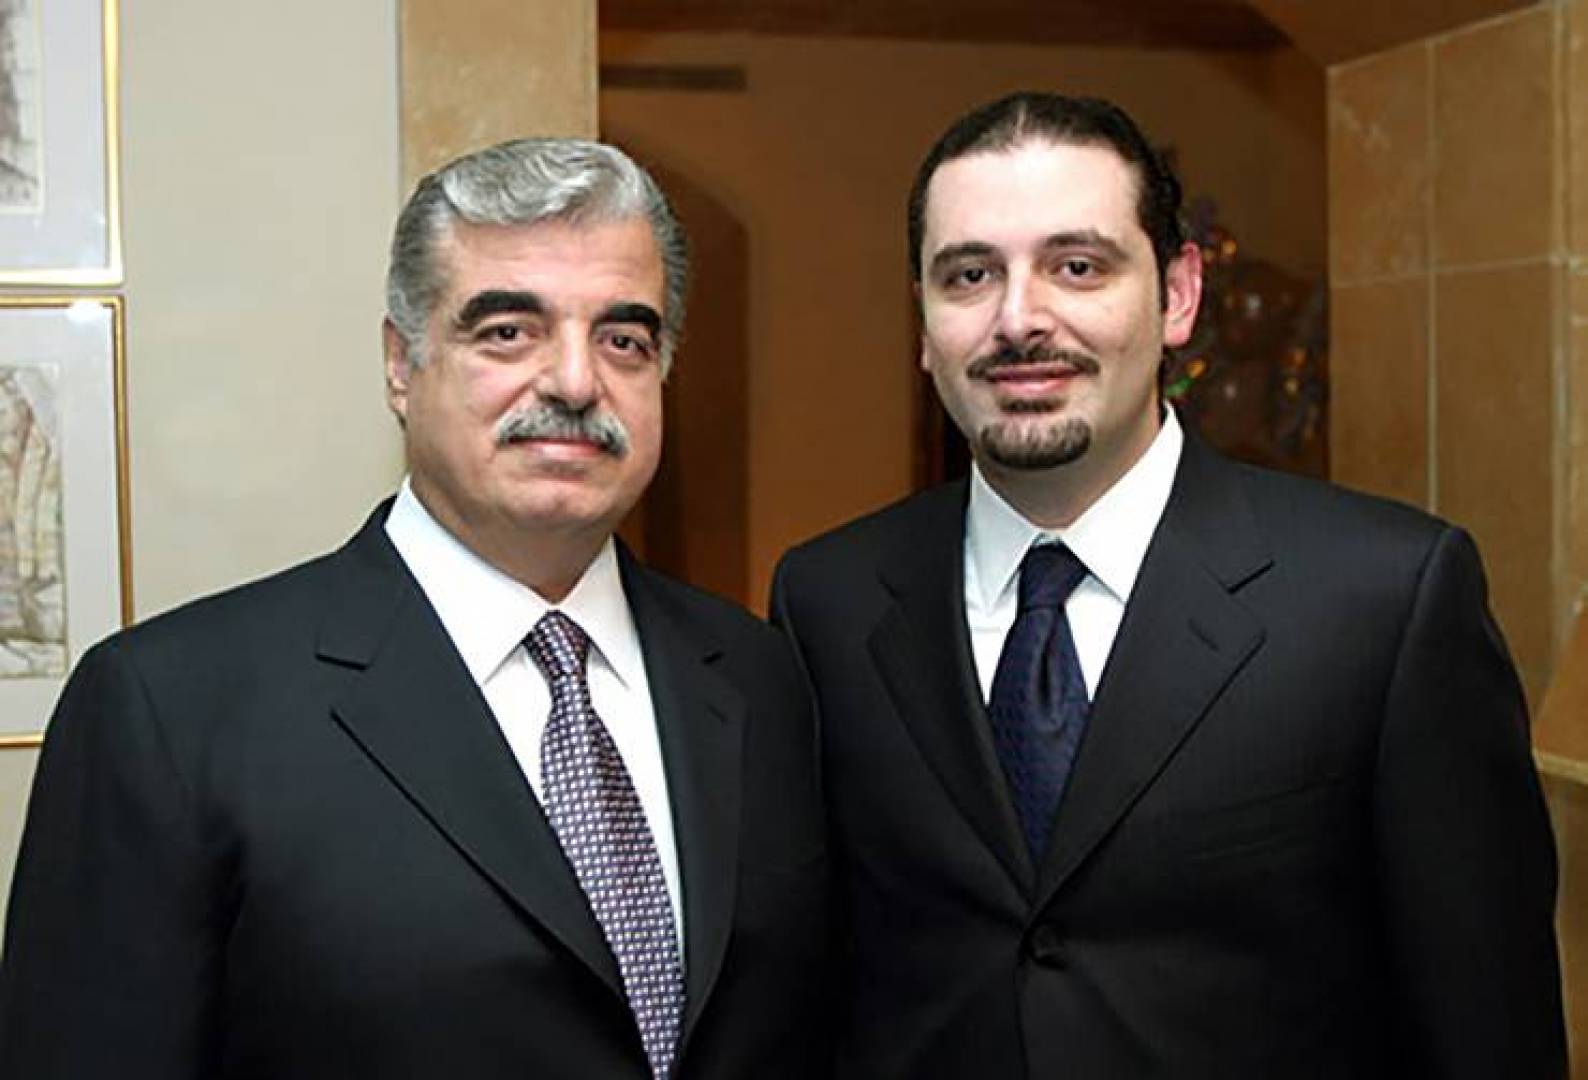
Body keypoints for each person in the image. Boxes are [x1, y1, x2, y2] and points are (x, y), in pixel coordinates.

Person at [771, 91, 1564, 1077]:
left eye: (1077, 266)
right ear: (925, 324)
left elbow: (1488, 1023)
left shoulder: (1385, 599)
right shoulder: (828, 603)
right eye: (970, 275)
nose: (1019, 319)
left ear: (1177, 295)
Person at [0, 138, 826, 1079]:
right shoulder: (171, 712)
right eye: (507, 332)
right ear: (401, 364)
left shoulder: (758, 675)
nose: (574, 381)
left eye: (622, 340)